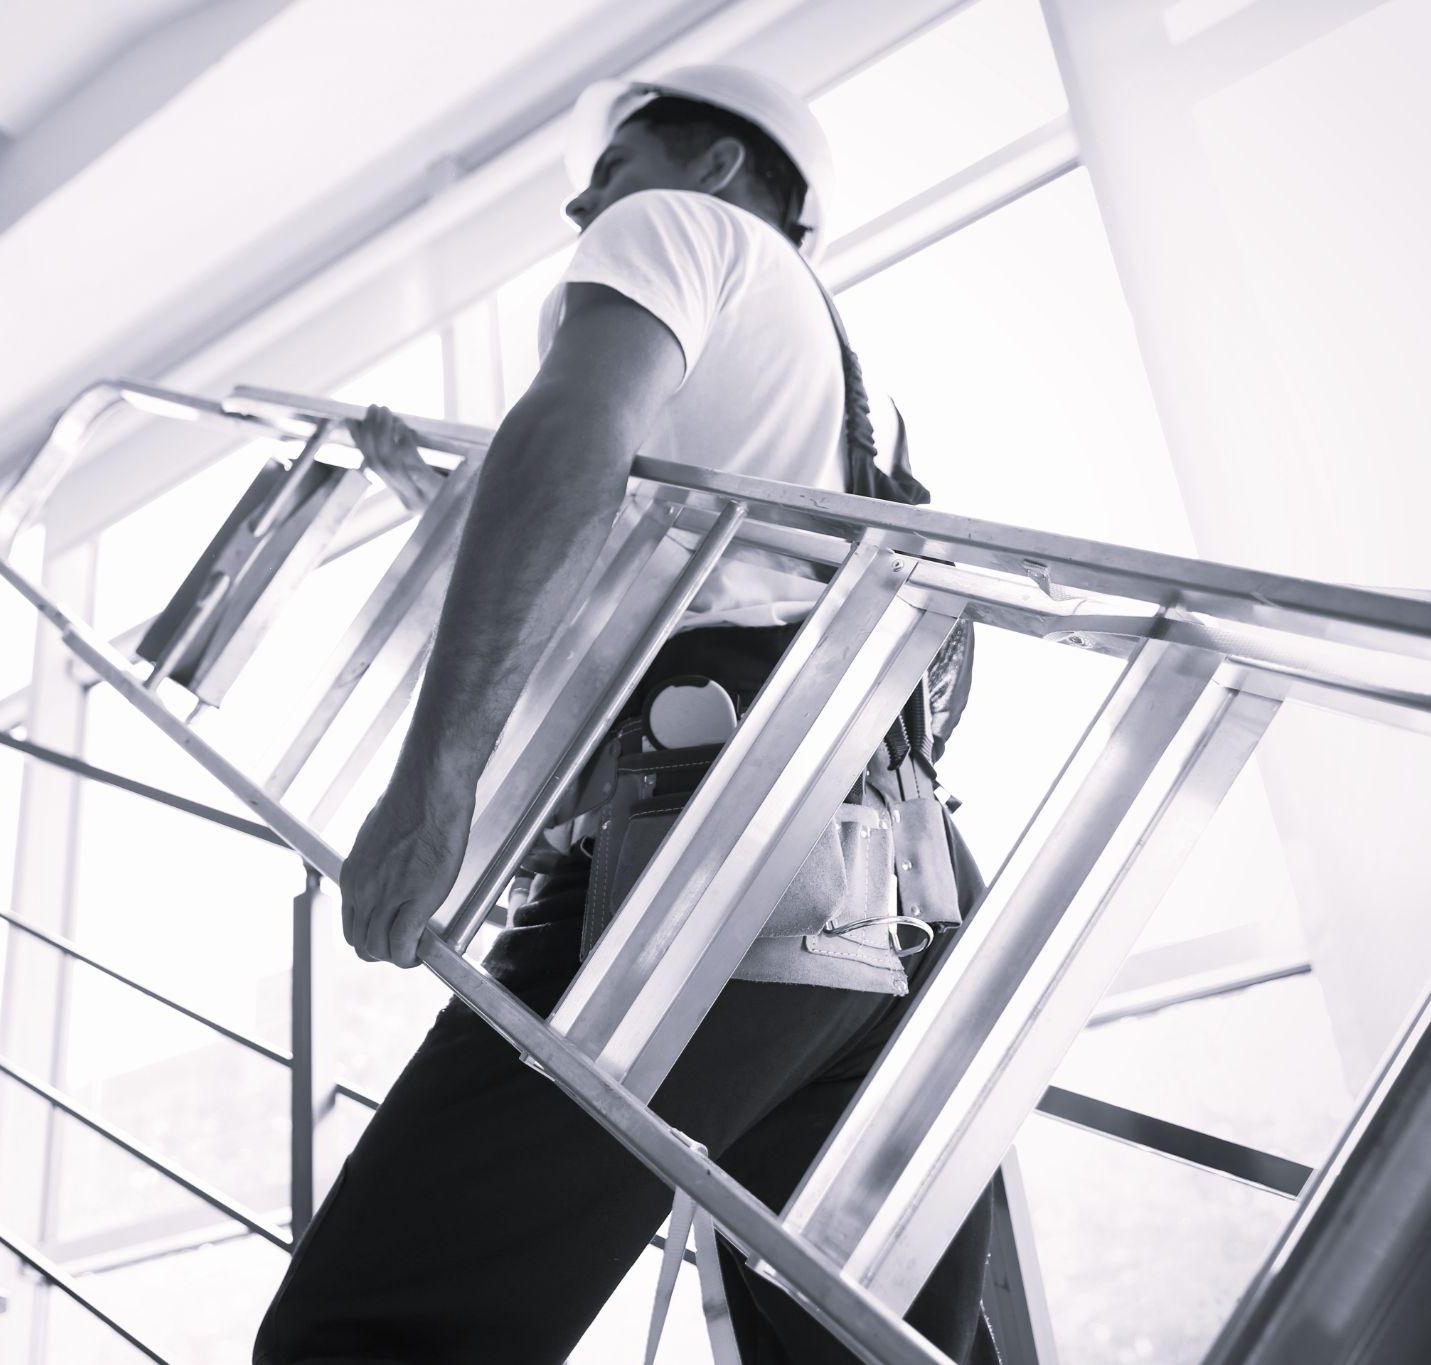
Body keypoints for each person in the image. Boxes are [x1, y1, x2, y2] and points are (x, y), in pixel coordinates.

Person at [255, 65, 996, 1364]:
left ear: (713, 168)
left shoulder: (680, 230)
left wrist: (438, 785)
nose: (588, 203)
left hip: (716, 859)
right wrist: (442, 511)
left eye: (614, 165)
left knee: (368, 1333)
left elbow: (574, 439)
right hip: (893, 913)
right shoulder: (844, 399)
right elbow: (688, 573)